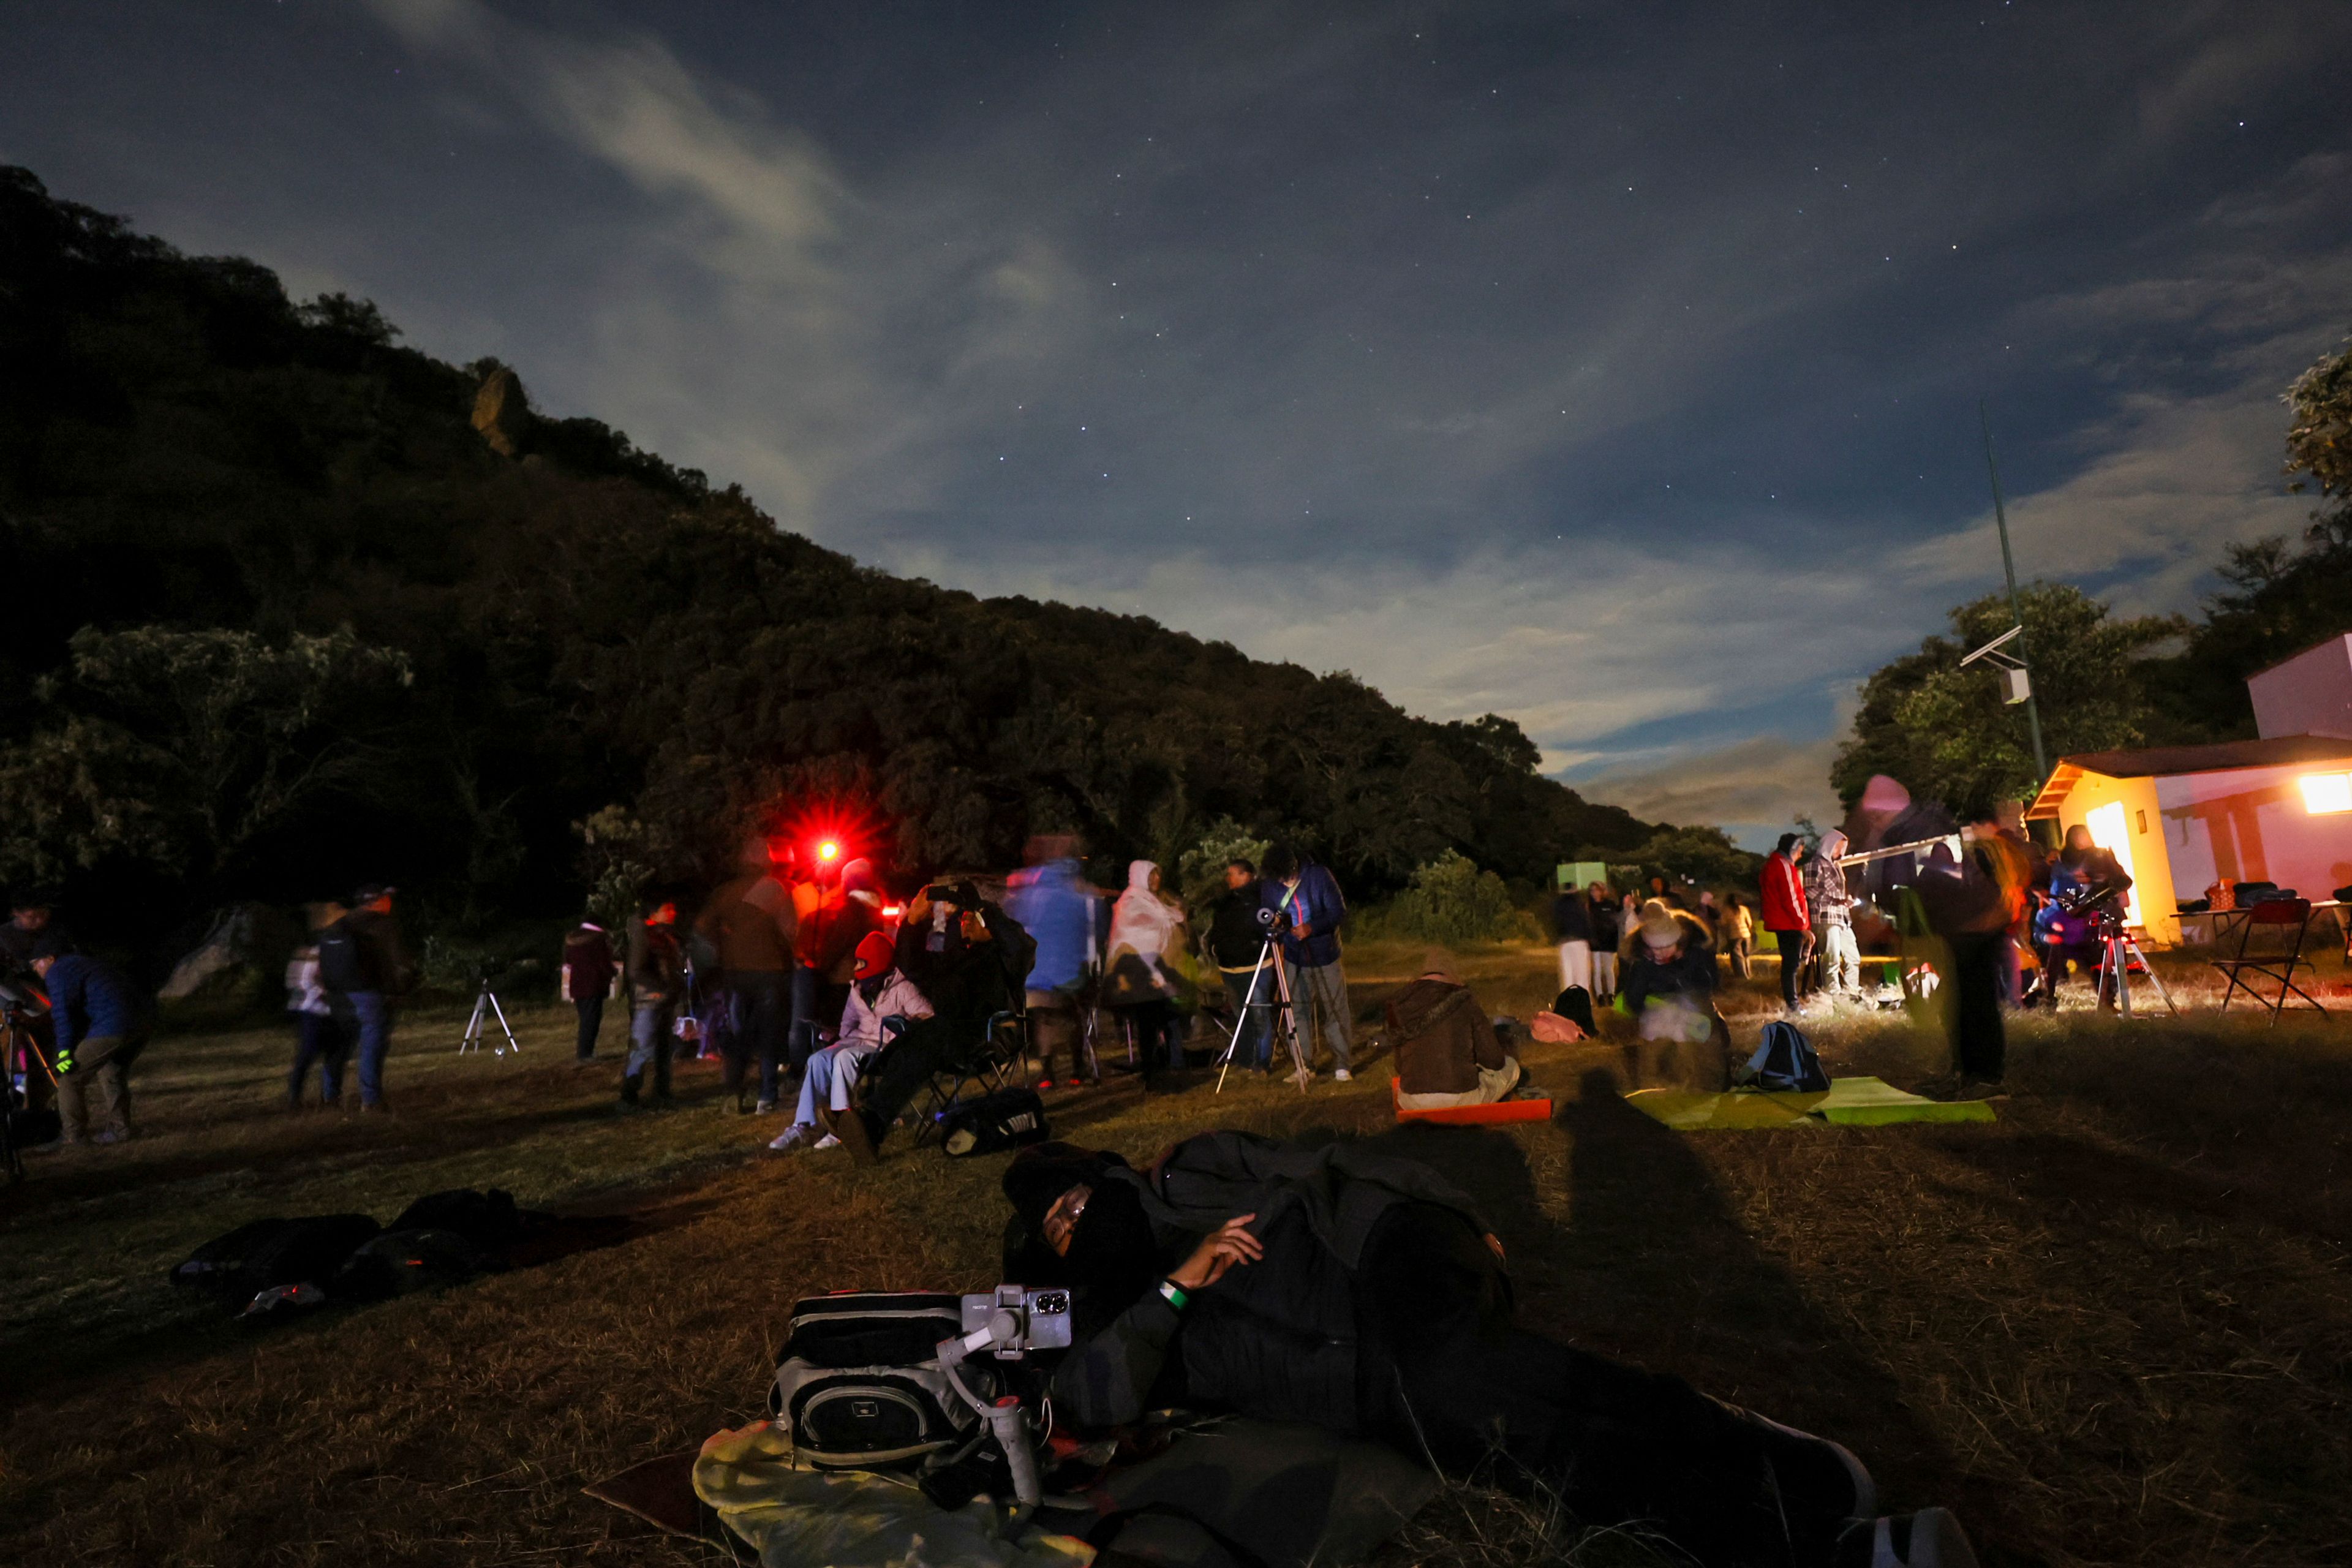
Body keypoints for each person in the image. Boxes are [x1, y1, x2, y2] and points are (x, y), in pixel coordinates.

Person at [1000, 1136, 1977, 1568]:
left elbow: (1343, 1170)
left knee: (1478, 1401)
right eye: (1057, 1230)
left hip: (1389, 1257)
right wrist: (1177, 1287)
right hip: (1366, 1378)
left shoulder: (1189, 1172)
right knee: (1518, 1411)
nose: (1078, 1225)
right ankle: (1781, 1465)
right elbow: (1091, 1398)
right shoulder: (1126, 1320)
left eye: (1080, 1201)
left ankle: (1814, 1549)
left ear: (1108, 1178)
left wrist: (1454, 1219)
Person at [839, 880, 1032, 1163]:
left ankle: (871, 1122)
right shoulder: (958, 957)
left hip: (986, 1037)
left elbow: (1017, 942)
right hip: (948, 1037)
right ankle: (869, 1123)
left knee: (930, 1034)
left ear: (989, 922)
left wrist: (980, 906)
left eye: (971, 918)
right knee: (915, 1037)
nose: (964, 922)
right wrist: (913, 922)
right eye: (963, 917)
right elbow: (913, 965)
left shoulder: (1007, 956)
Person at [771, 930, 932, 1152]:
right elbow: (848, 1022)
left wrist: (905, 1028)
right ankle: (805, 1125)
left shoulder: (902, 988)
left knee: (844, 1058)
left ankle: (843, 1128)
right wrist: (837, 1040)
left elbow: (927, 1014)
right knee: (819, 1059)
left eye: (860, 962)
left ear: (875, 962)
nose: (855, 967)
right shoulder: (858, 989)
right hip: (858, 1040)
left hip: (886, 1045)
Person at [696, 838, 799, 1114]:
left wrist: (724, 943)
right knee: (769, 1034)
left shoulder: (725, 892)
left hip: (734, 972)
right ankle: (767, 1097)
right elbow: (790, 930)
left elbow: (702, 926)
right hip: (770, 972)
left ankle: (733, 1092)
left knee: (738, 1033)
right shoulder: (774, 889)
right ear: (768, 862)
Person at [1004, 839, 1102, 1088]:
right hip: (1071, 974)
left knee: (1043, 1019)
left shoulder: (1030, 892)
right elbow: (1096, 927)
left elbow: (1015, 924)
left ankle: (1047, 1073)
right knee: (1074, 1016)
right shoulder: (1080, 891)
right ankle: (1077, 1069)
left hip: (1036, 975)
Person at [31, 947, 147, 1146]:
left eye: (36, 963)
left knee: (68, 1078)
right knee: (111, 1071)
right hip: (141, 1020)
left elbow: (63, 1015)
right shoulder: (84, 963)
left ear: (50, 958)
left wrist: (64, 1052)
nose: (35, 969)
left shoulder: (58, 971)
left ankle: (74, 1136)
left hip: (113, 1024)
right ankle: (121, 1130)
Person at [1259, 843, 1354, 1081]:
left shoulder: (1318, 876)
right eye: (1279, 879)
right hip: (1294, 955)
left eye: (1287, 877)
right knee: (1297, 1011)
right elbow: (1269, 917)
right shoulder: (1270, 885)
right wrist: (1278, 928)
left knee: (1334, 1008)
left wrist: (1312, 927)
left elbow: (1338, 911)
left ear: (1294, 866)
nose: (1284, 883)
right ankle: (1304, 1064)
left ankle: (1342, 1064)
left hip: (1325, 954)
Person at [320, 884, 414, 1113]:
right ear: (379, 901)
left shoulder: (341, 924)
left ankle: (330, 1095)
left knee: (341, 1044)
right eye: (386, 898)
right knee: (373, 1043)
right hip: (369, 994)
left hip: (338, 995)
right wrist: (400, 989)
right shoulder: (383, 925)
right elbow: (398, 963)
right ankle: (370, 1100)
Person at [1390, 951, 1521, 1109]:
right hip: (1460, 1098)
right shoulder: (1464, 1000)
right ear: (1453, 974)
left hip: (1411, 1102)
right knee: (1512, 1067)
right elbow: (1494, 1061)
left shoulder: (1399, 1004)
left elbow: (1399, 1067)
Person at [1104, 861, 1189, 1079]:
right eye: (1151, 876)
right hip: (1141, 977)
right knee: (1148, 1026)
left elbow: (1169, 924)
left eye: (1158, 875)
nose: (1157, 880)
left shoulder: (1153, 902)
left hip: (1163, 973)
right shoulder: (1132, 902)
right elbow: (1133, 937)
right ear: (1140, 876)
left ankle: (1175, 1064)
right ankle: (1153, 1070)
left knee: (1171, 1018)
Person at [2034, 824, 2133, 1009]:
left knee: (2106, 959)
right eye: (2078, 836)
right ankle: (2049, 996)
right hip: (2073, 918)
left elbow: (2121, 878)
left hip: (2103, 913)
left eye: (2084, 835)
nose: (2082, 840)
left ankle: (2108, 998)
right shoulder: (2062, 862)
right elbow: (2056, 887)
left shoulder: (2102, 856)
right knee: (2066, 953)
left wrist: (2108, 889)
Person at [1205, 859, 1276, 1072]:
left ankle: (1262, 1062)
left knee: (1259, 1015)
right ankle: (1245, 1060)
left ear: (1247, 875)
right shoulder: (1226, 903)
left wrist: (1256, 948)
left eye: (1234, 874)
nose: (1229, 879)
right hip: (1229, 969)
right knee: (1241, 1017)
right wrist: (1215, 949)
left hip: (1256, 967)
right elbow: (1216, 930)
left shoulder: (1261, 899)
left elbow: (1266, 928)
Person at [1620, 899, 1722, 1044]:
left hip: (1696, 1015)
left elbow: (1708, 985)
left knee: (1717, 1041)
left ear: (1678, 942)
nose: (1661, 953)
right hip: (1659, 1020)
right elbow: (1633, 1001)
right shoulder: (1642, 965)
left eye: (1667, 947)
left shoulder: (1694, 955)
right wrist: (1658, 1008)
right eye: (1656, 948)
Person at [284, 911, 348, 1109]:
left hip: (333, 1012)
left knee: (336, 1055)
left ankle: (331, 1096)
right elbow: (306, 982)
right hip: (313, 1012)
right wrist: (326, 993)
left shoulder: (337, 952)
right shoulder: (315, 954)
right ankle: (295, 1096)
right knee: (308, 1053)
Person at [1760, 834, 1812, 1012]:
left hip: (1781, 923)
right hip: (1789, 924)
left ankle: (1793, 1003)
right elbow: (1791, 899)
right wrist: (1803, 926)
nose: (1801, 855)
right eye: (1800, 851)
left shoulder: (1771, 865)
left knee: (1789, 965)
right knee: (1791, 966)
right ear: (1792, 849)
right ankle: (1793, 1006)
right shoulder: (1784, 866)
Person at [1807, 831, 1861, 998]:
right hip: (1826, 918)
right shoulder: (1815, 864)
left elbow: (1838, 893)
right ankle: (1833, 995)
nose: (1840, 851)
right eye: (1838, 847)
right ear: (1828, 845)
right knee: (1832, 958)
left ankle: (1852, 992)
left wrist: (1846, 901)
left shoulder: (1836, 866)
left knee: (1853, 957)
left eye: (1842, 848)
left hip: (1842, 918)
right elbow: (1810, 890)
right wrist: (1836, 901)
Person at [561, 918, 617, 1061]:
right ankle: (585, 1054)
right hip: (593, 985)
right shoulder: (599, 939)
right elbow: (604, 963)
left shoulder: (572, 939)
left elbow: (568, 961)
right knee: (592, 1021)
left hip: (577, 985)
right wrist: (613, 972)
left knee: (585, 1019)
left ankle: (584, 1052)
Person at [1550, 880, 1594, 996]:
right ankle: (1583, 999)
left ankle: (1568, 1000)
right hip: (1579, 941)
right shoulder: (1580, 903)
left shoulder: (1558, 905)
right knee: (1582, 972)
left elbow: (1556, 922)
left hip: (1565, 942)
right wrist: (1590, 937)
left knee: (1567, 973)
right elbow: (1586, 922)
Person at [1586, 882, 1621, 1003]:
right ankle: (1600, 995)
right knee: (1597, 970)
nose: (1594, 893)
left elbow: (1615, 923)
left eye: (1596, 890)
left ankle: (1611, 994)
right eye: (1592, 891)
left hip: (1609, 942)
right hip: (1595, 943)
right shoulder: (1589, 906)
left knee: (1608, 970)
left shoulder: (1610, 904)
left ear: (1602, 891)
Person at [1717, 893, 1755, 980]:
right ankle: (1749, 974)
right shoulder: (1744, 909)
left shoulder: (1726, 910)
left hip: (1734, 936)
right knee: (1746, 955)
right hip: (1746, 935)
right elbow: (1749, 923)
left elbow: (1723, 923)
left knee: (1738, 957)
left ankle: (1742, 977)